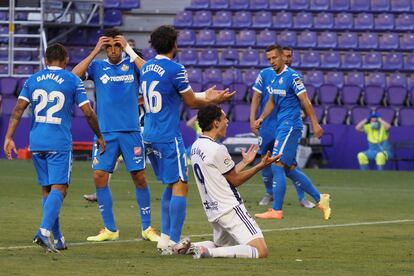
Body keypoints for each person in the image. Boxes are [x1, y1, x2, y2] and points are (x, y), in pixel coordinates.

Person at [3, 43, 106, 253]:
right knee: (60, 189)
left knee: (48, 189)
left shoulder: (32, 80)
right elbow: (87, 112)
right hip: (58, 142)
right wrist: (100, 136)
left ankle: (58, 239)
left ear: (45, 60)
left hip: (37, 141)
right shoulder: (72, 80)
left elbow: (17, 110)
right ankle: (43, 231)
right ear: (66, 60)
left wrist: (9, 137)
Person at [140, 25, 234, 252]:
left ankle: (164, 237)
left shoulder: (146, 67)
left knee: (171, 184)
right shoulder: (176, 69)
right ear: (174, 44)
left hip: (149, 134)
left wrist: (205, 96)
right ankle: (173, 241)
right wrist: (214, 101)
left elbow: (178, 95)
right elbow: (191, 102)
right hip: (168, 135)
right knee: (181, 186)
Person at [72, 28, 160, 242]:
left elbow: (149, 71)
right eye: (108, 46)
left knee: (139, 177)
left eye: (116, 45)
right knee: (99, 176)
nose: (112, 50)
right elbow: (74, 76)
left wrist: (129, 49)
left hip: (131, 132)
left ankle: (147, 228)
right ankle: (110, 229)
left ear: (122, 46)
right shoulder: (97, 66)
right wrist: (94, 51)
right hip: (105, 134)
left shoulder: (132, 65)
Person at [187, 104, 280, 259]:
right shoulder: (217, 149)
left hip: (213, 211)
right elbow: (235, 180)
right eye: (224, 118)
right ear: (216, 122)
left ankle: (189, 247)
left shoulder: (196, 147)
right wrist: (260, 165)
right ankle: (207, 252)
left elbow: (223, 175)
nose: (227, 121)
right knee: (260, 251)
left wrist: (244, 163)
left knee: (225, 246)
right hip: (229, 208)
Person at [253, 44, 331, 220]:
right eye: (269, 59)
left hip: (291, 125)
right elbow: (272, 101)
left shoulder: (293, 77)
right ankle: (321, 199)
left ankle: (276, 210)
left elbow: (306, 101)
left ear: (282, 57)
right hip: (282, 125)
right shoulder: (273, 77)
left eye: (274, 58)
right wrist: (261, 118)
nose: (272, 61)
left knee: (276, 165)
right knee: (288, 169)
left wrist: (315, 124)